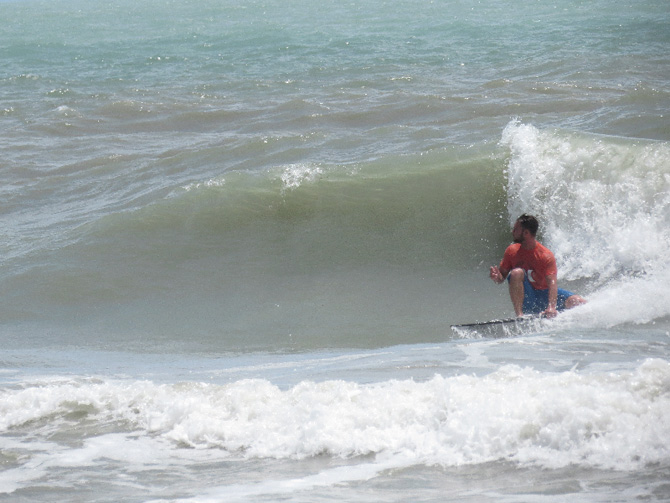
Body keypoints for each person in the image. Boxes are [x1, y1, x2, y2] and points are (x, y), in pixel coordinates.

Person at [489, 214, 586, 318]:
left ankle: (559, 318)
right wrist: (496, 277)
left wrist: (551, 307)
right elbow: (501, 279)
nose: (513, 232)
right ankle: (520, 317)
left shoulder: (545, 255)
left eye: (516, 229)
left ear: (526, 233)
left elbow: (552, 284)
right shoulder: (511, 251)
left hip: (544, 295)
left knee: (579, 302)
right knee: (516, 273)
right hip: (527, 298)